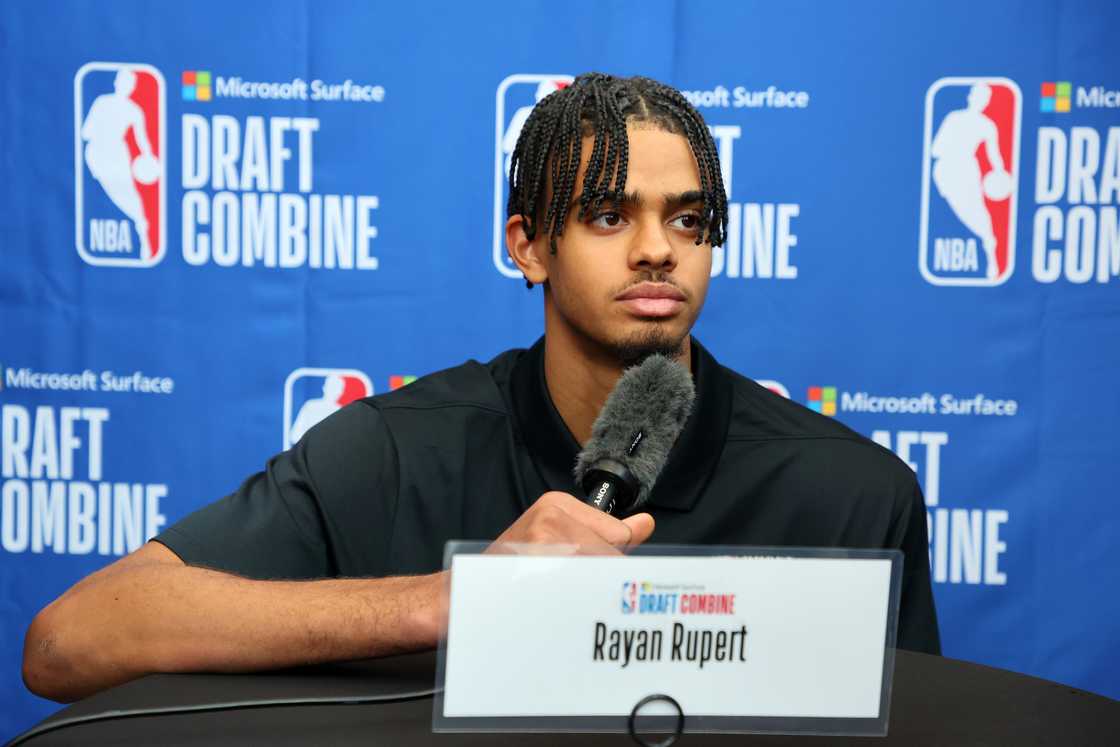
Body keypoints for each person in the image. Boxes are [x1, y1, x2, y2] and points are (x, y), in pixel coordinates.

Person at [24, 73, 939, 703]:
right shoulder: (391, 451)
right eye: (609, 214)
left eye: (689, 219)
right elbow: (67, 641)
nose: (658, 248)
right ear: (528, 245)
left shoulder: (853, 493)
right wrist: (448, 598)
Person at [930, 82, 1009, 279]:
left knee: (978, 211)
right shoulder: (954, 118)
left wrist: (1000, 173)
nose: (980, 100)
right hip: (945, 170)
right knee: (957, 211)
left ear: (987, 102)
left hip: (967, 170)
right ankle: (987, 242)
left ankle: (991, 253)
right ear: (970, 97)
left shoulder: (988, 126)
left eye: (984, 98)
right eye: (977, 95)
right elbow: (935, 149)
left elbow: (994, 155)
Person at [81, 69, 158, 258]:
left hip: (117, 155)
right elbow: (85, 132)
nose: (125, 86)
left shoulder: (134, 111)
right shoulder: (102, 102)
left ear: (132, 88)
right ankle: (140, 227)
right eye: (123, 81)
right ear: (116, 82)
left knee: (129, 195)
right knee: (108, 192)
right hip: (96, 154)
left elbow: (142, 140)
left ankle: (143, 235)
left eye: (129, 84)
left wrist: (149, 159)